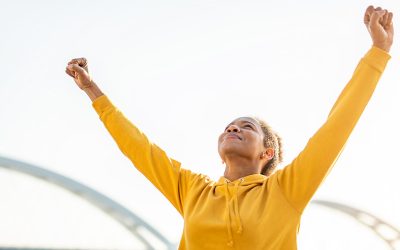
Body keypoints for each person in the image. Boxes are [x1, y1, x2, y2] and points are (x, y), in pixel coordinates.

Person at [65, 5, 393, 250]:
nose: (232, 129)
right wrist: (93, 91)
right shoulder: (192, 191)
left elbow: (337, 127)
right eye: (229, 127)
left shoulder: (285, 191)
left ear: (268, 152)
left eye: (245, 127)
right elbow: (138, 147)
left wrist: (378, 52)